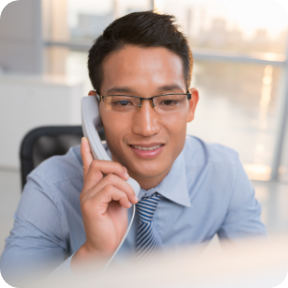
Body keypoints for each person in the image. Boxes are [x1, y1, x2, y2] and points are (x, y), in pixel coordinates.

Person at [0, 11, 266, 284]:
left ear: (191, 105)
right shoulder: (51, 185)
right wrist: (92, 254)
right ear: (95, 110)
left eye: (169, 101)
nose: (147, 128)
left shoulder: (224, 173)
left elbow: (261, 275)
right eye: (124, 102)